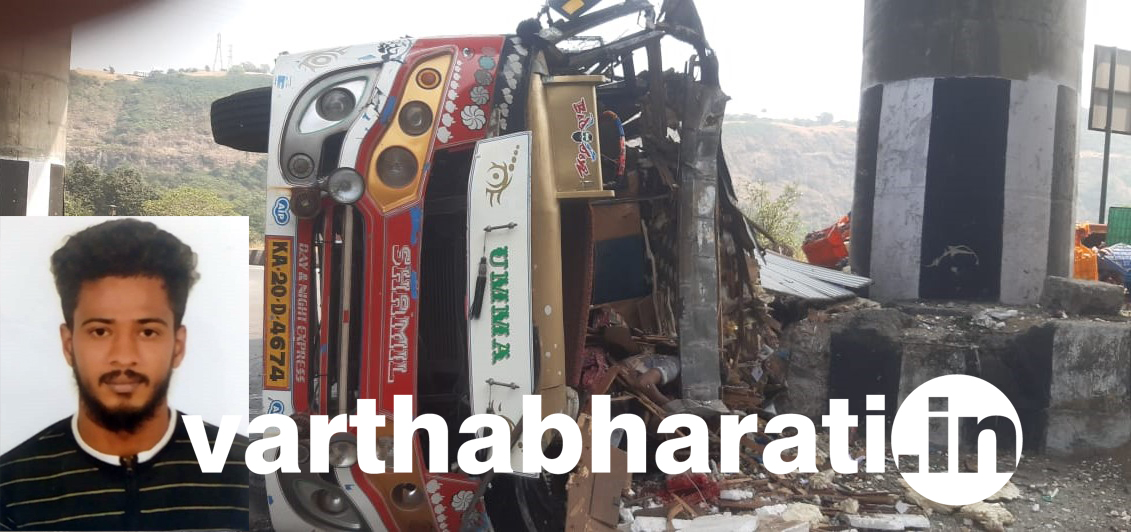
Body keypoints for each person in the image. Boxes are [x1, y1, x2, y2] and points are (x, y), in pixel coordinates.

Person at [0, 219, 248, 531]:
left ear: (177, 346)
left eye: (147, 331)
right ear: (68, 345)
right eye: (100, 331)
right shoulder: (10, 491)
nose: (124, 356)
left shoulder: (245, 470)